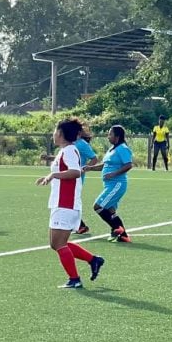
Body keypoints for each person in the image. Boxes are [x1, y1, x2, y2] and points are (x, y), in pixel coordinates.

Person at [38, 118, 104, 289]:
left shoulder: (69, 151)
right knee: (56, 243)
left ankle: (74, 279)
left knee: (58, 244)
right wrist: (49, 176)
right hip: (61, 202)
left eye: (55, 130)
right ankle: (93, 260)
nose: (53, 134)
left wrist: (53, 175)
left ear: (60, 133)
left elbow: (75, 172)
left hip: (66, 203)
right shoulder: (65, 150)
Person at [85, 125, 134, 243]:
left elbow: (128, 165)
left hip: (117, 184)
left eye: (110, 134)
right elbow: (105, 165)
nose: (108, 137)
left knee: (98, 206)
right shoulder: (112, 149)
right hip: (110, 185)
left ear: (117, 136)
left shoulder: (122, 148)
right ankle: (124, 236)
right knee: (111, 210)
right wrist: (90, 168)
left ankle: (116, 228)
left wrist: (114, 174)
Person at [72, 128, 99, 235]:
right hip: (69, 177)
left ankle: (81, 226)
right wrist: (50, 158)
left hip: (76, 178)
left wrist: (85, 168)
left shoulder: (82, 144)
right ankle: (78, 225)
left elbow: (94, 158)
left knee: (72, 202)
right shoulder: (71, 143)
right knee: (69, 202)